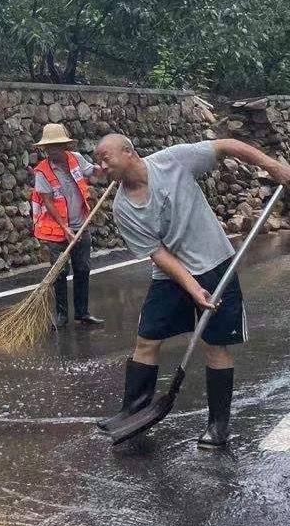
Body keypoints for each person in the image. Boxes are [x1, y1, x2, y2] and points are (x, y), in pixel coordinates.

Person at [93, 133, 290, 449]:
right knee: (147, 338)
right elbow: (158, 254)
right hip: (170, 274)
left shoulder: (174, 160)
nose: (101, 166)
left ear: (128, 151)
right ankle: (134, 407)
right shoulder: (122, 209)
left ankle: (218, 426)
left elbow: (226, 145)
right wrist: (192, 287)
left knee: (215, 345)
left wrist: (272, 166)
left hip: (214, 262)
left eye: (106, 157)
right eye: (98, 160)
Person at [30, 123, 104, 329]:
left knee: (83, 268)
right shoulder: (42, 172)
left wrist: (104, 168)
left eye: (57, 146)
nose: (53, 151)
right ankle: (61, 316)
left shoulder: (76, 159)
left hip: (81, 224)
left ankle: (83, 313)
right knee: (59, 273)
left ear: (65, 146)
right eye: (49, 148)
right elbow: (48, 202)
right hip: (56, 231)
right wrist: (65, 228)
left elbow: (92, 172)